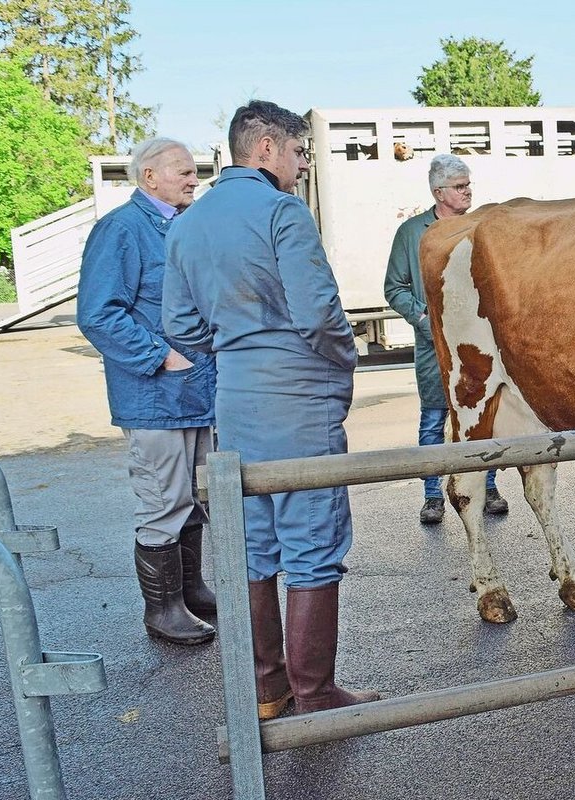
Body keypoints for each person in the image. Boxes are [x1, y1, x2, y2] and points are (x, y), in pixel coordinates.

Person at [163, 100, 378, 717]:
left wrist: (236, 347)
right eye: (298, 151)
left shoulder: (187, 223)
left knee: (255, 542)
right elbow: (317, 315)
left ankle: (269, 688)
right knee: (312, 537)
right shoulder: (282, 212)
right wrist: (342, 357)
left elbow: (179, 324)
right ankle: (315, 692)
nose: (303, 164)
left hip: (235, 398)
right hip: (298, 396)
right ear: (265, 149)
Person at [77, 137, 218, 647]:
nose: (192, 177)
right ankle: (163, 611)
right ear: (148, 177)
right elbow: (98, 314)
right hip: (155, 396)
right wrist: (160, 355)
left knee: (195, 496)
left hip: (197, 393)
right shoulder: (121, 228)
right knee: (163, 500)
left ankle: (192, 591)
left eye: (193, 170)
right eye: (182, 171)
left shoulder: (181, 225)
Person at [384, 154, 508, 525]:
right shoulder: (412, 233)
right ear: (439, 192)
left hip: (481, 344)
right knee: (434, 420)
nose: (467, 190)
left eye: (468, 184)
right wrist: (426, 320)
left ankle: (487, 488)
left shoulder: (481, 226)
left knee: (485, 417)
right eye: (459, 186)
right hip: (435, 348)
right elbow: (394, 287)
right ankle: (433, 496)